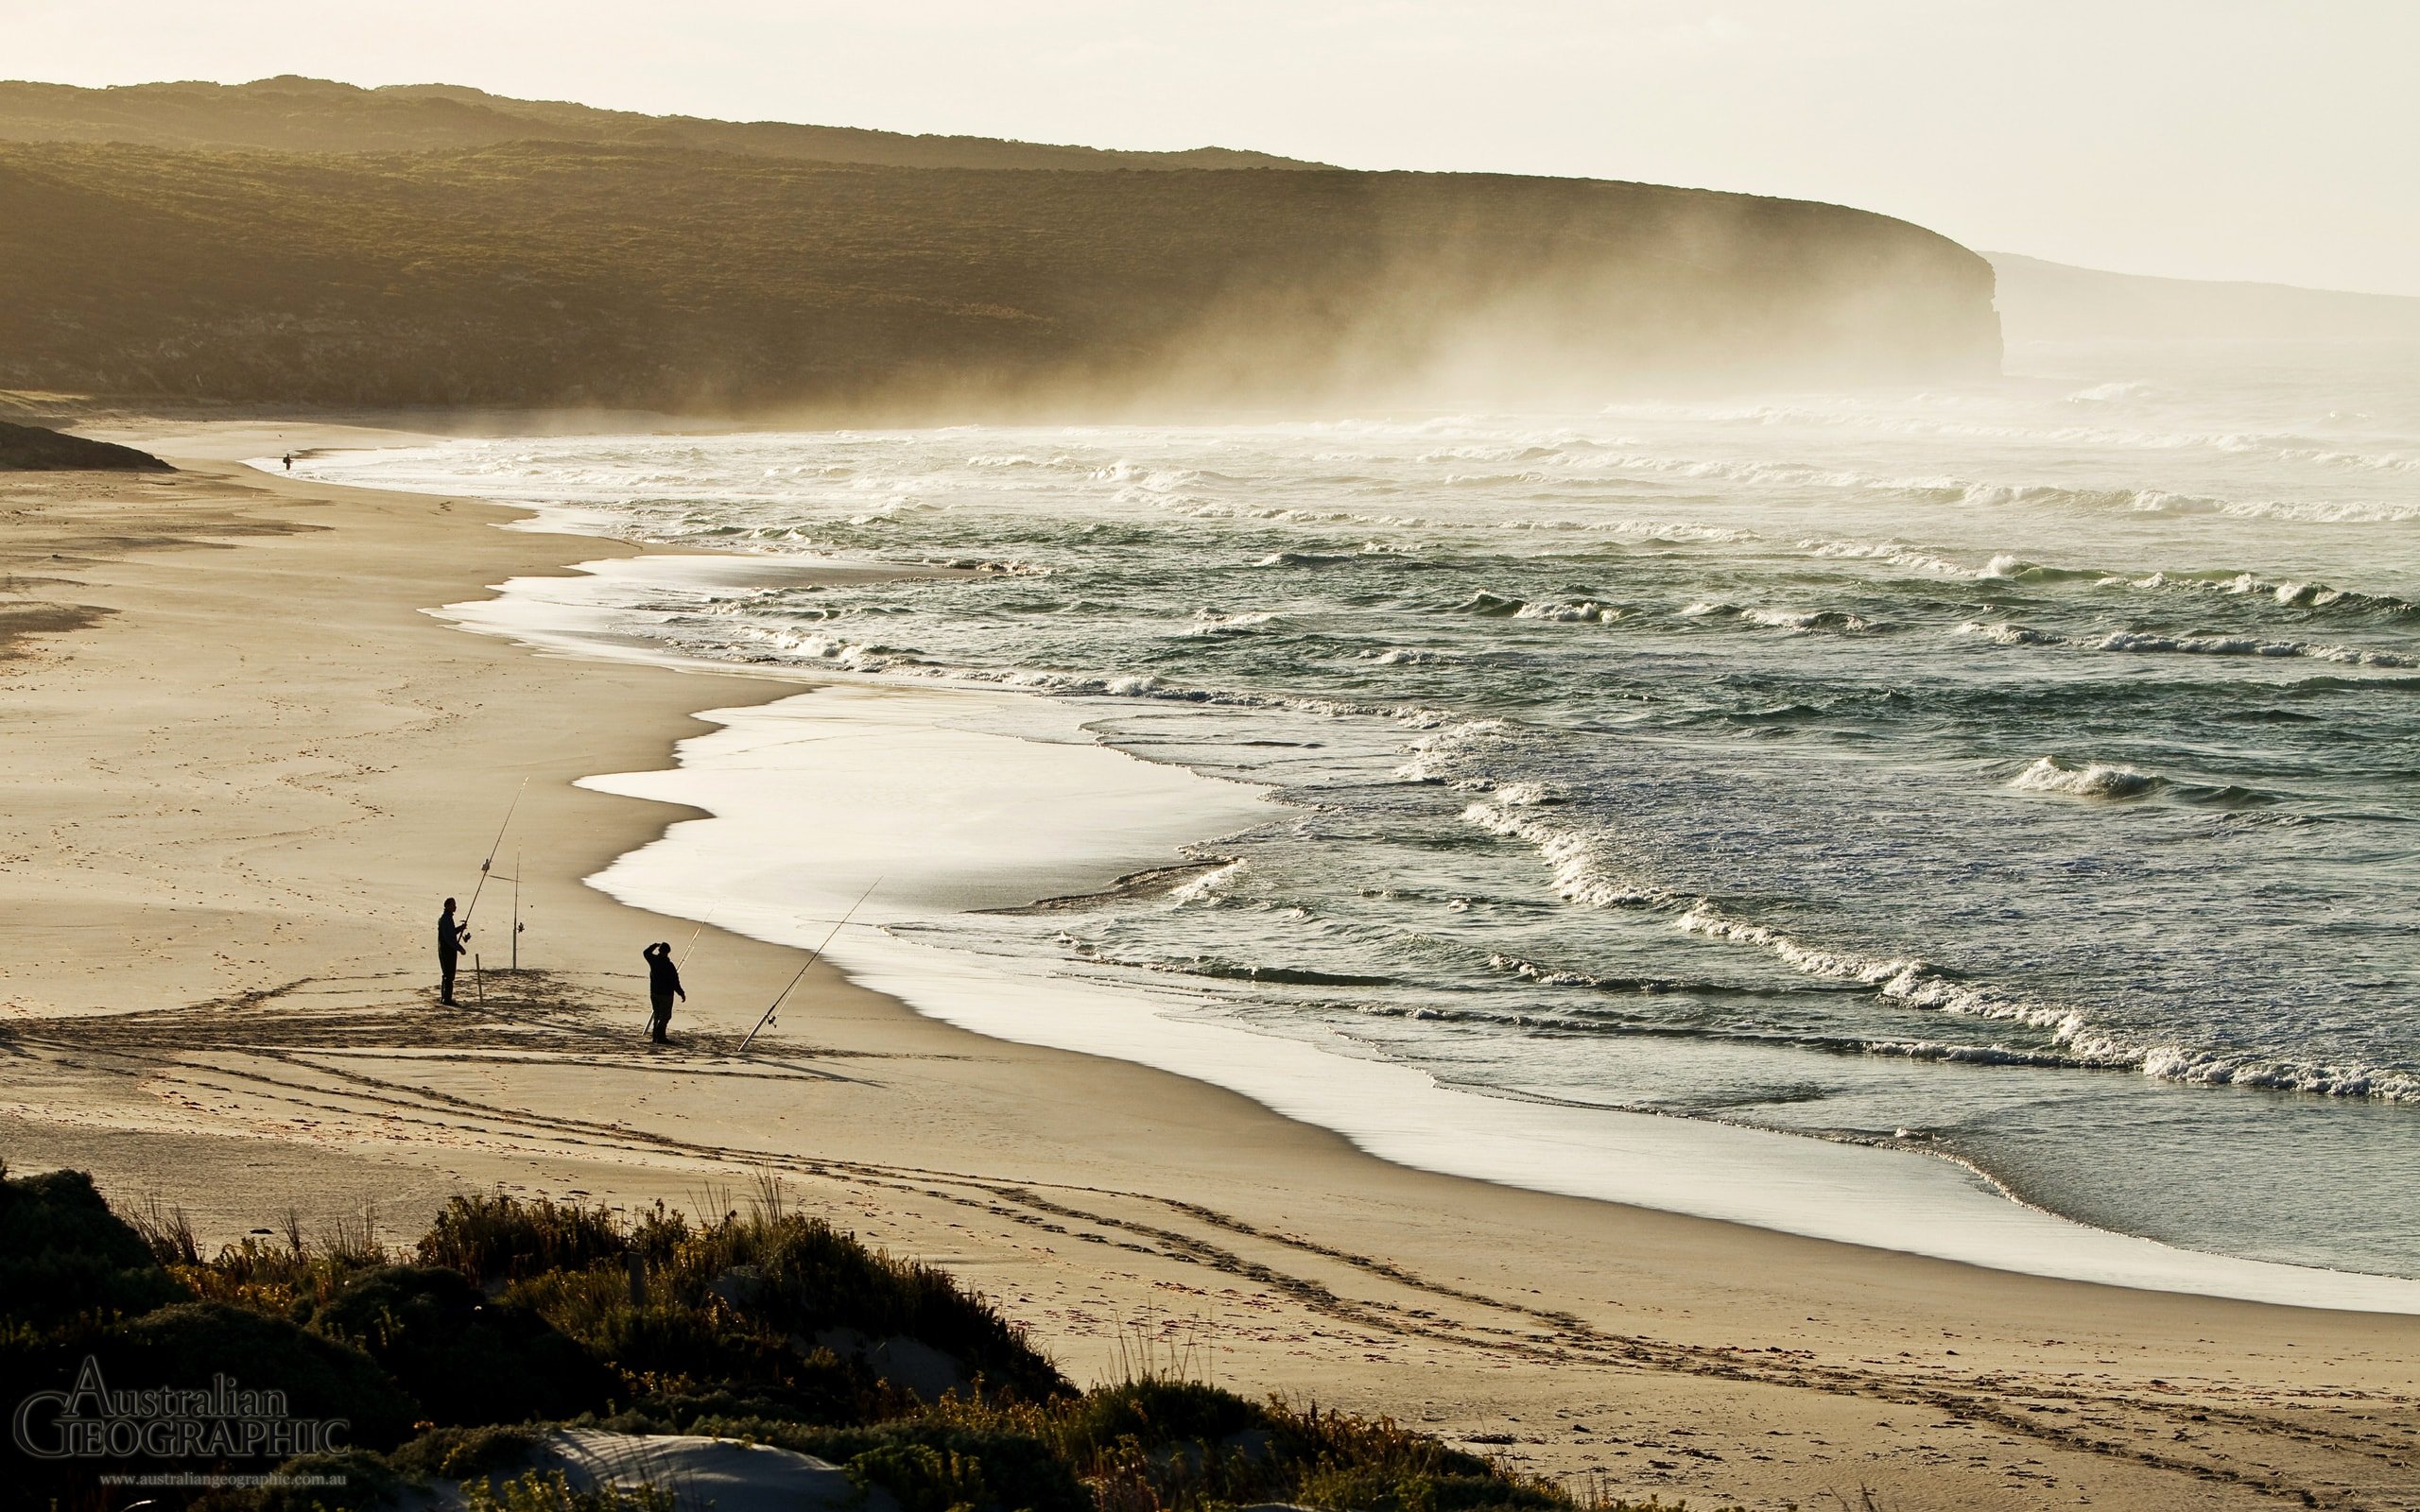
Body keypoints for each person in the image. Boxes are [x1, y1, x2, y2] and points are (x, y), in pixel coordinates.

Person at [643, 941, 685, 1042]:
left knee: (657, 1014)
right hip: (666, 994)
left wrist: (654, 945)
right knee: (666, 1016)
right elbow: (675, 982)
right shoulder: (669, 965)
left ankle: (655, 1036)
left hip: (654, 992)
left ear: (659, 950)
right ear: (668, 952)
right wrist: (681, 993)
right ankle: (660, 1036)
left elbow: (646, 952)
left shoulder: (653, 960)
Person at [438, 897, 467, 1005]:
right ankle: (447, 999)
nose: (455, 907)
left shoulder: (447, 918)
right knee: (449, 975)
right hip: (447, 950)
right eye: (453, 905)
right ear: (447, 906)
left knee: (447, 974)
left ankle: (445, 998)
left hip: (446, 949)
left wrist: (460, 928)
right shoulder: (445, 919)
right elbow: (449, 938)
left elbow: (451, 932)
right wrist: (460, 948)